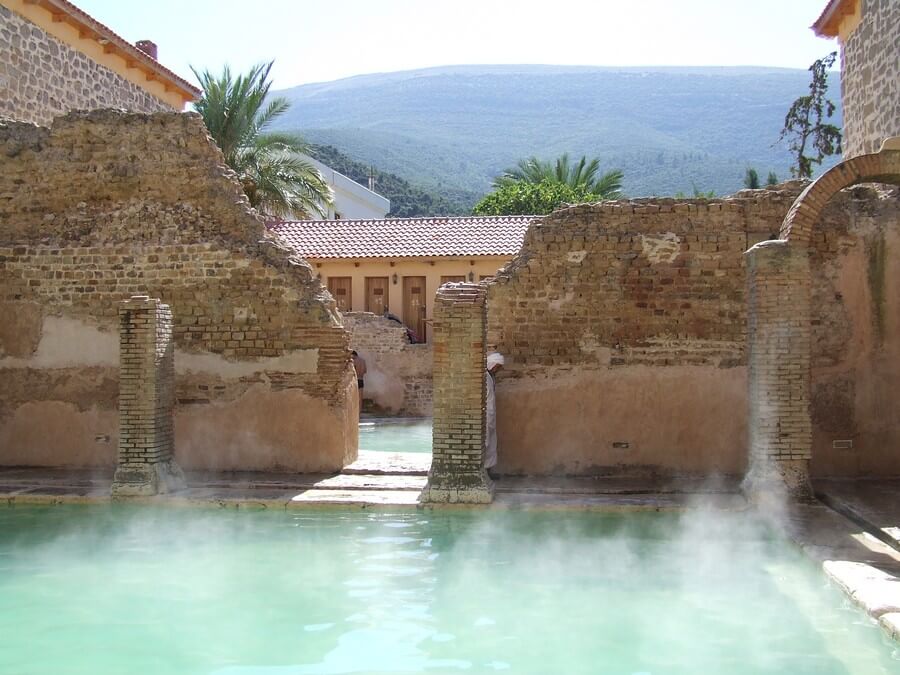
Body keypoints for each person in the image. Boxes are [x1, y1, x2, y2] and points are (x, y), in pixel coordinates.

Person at [485, 352, 504, 476]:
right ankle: (484, 473)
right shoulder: (485, 377)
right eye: (497, 367)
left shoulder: (490, 376)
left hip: (490, 415)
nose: (498, 370)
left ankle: (488, 471)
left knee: (491, 444)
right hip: (486, 416)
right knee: (485, 444)